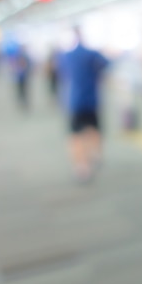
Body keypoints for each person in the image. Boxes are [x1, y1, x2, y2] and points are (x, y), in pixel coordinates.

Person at [59, 27, 110, 183]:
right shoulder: (92, 54)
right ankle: (96, 154)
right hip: (91, 100)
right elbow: (107, 64)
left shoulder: (66, 56)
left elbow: (62, 73)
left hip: (75, 101)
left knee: (75, 136)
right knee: (94, 129)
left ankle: (82, 166)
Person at [11, 47, 32, 112]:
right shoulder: (19, 57)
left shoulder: (25, 57)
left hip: (23, 77)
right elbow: (14, 66)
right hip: (20, 77)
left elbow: (28, 67)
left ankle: (24, 102)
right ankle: (22, 102)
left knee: (24, 91)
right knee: (21, 90)